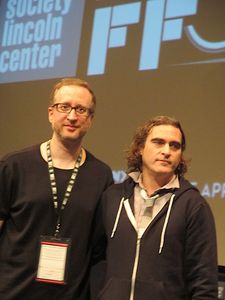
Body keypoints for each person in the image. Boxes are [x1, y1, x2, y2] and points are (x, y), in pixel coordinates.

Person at [0, 78, 113, 300]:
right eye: (65, 107)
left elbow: (99, 249)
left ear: (90, 120)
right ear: (51, 113)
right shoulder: (14, 165)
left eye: (81, 110)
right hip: (13, 293)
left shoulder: (101, 175)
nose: (72, 116)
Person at [99, 115, 218, 300]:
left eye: (175, 146)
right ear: (140, 148)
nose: (166, 151)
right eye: (158, 142)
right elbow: (96, 260)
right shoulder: (113, 197)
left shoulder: (193, 205)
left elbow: (204, 282)